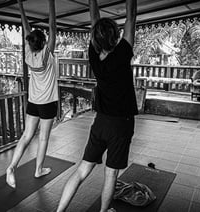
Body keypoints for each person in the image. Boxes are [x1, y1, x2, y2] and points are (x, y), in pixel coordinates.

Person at [56, 0, 137, 211]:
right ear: (116, 36)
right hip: (121, 124)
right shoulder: (122, 53)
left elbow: (95, 21)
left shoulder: (94, 55)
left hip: (100, 123)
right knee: (111, 173)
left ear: (95, 37)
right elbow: (132, 15)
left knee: (82, 170)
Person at [6, 0, 57, 189]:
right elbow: (53, 26)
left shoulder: (29, 53)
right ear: (43, 42)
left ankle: (11, 167)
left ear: (31, 42)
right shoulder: (46, 54)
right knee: (43, 138)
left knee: (27, 135)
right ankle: (39, 169)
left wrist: (20, 6)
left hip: (33, 101)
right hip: (48, 102)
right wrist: (51, 2)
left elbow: (25, 27)